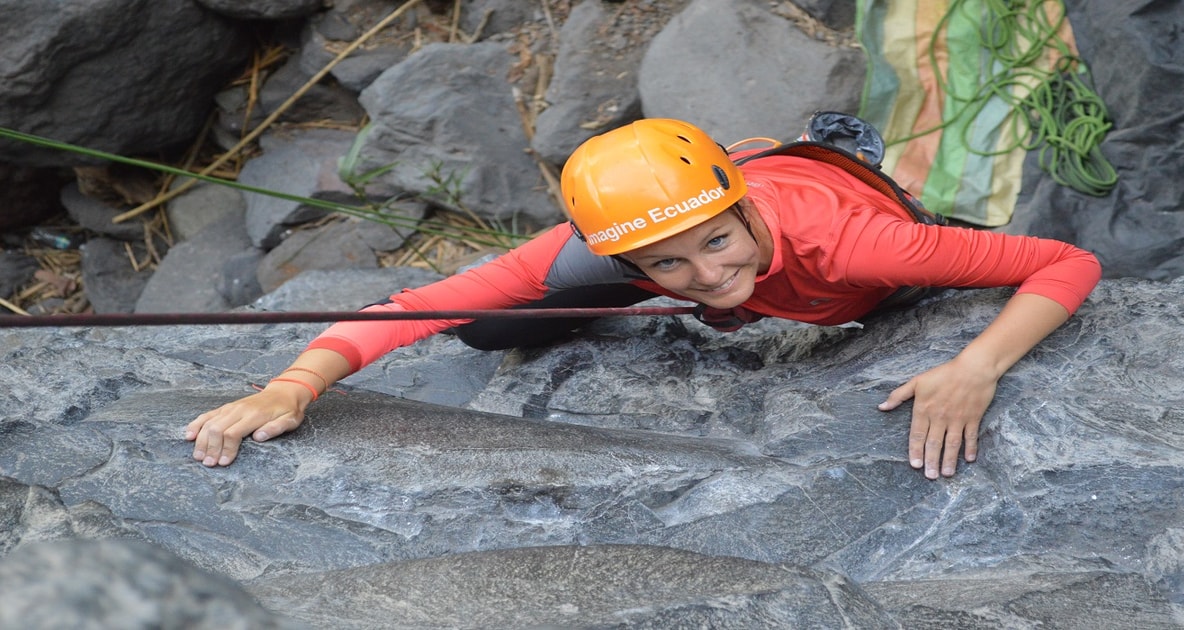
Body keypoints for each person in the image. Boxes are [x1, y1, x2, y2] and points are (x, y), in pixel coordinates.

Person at [186, 117, 1101, 480]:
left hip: (851, 246)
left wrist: (976, 365)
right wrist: (295, 386)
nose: (706, 275)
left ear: (742, 204)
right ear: (619, 249)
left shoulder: (856, 242)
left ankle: (827, 147)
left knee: (906, 284)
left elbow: (1066, 262)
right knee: (486, 326)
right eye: (668, 265)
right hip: (719, 206)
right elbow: (419, 304)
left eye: (717, 240)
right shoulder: (616, 244)